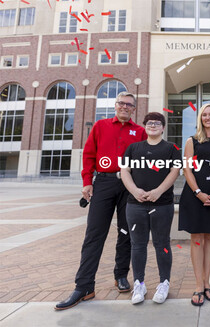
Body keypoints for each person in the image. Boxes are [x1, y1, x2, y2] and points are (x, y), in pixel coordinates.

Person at [55, 92, 147, 310]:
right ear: (115, 106)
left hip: (129, 185)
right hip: (104, 183)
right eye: (122, 104)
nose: (125, 107)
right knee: (94, 234)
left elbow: (145, 160)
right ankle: (84, 285)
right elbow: (88, 155)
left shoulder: (140, 131)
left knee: (127, 233)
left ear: (134, 109)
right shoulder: (100, 126)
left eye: (129, 105)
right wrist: (87, 181)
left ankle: (121, 275)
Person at [121, 112, 181, 305]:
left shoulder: (171, 148)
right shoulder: (133, 148)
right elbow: (125, 171)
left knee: (161, 243)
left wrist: (158, 191)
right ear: (145, 126)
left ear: (163, 127)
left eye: (157, 123)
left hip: (162, 204)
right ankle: (139, 284)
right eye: (149, 123)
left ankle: (164, 283)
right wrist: (135, 190)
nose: (153, 125)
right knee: (137, 245)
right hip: (135, 204)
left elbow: (175, 171)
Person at [178, 104, 210, 306]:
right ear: (200, 118)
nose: (208, 117)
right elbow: (187, 170)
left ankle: (207, 283)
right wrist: (199, 193)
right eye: (204, 115)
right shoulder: (192, 141)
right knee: (197, 238)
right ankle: (199, 285)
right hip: (195, 195)